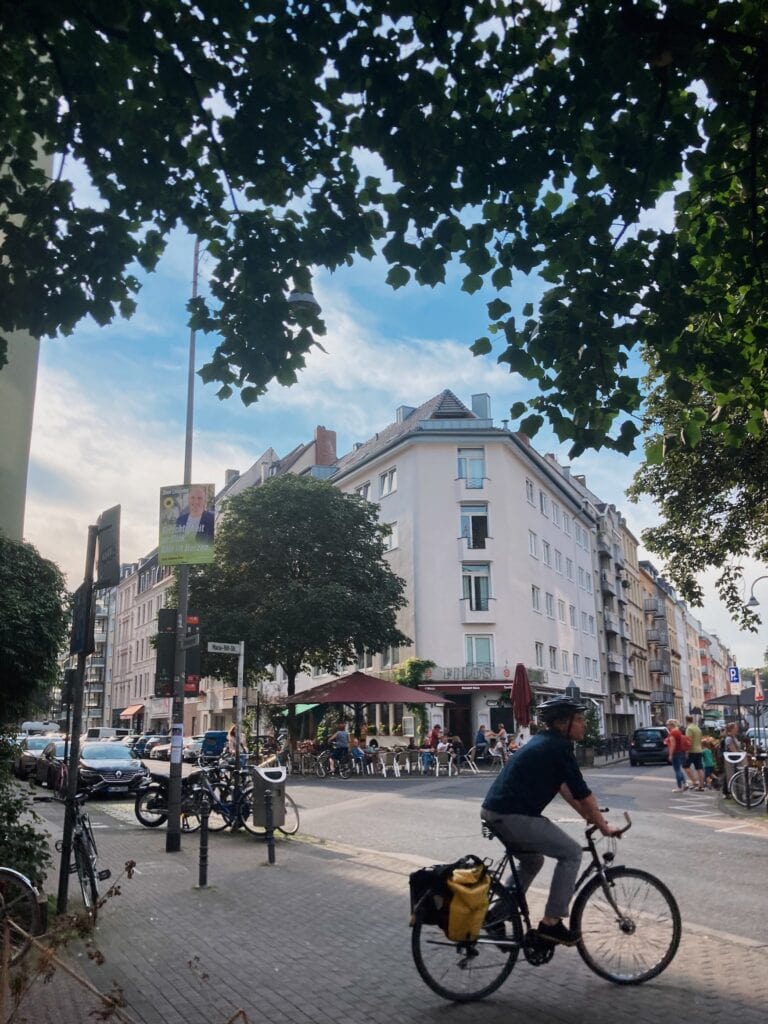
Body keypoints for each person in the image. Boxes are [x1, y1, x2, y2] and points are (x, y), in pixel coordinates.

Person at [481, 696, 619, 946]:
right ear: (562, 723)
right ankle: (551, 923)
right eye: (579, 720)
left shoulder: (547, 742)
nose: (583, 725)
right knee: (572, 853)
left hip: (499, 811)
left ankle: (494, 917)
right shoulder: (557, 747)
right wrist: (602, 825)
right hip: (511, 814)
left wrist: (588, 816)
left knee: (533, 861)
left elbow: (564, 787)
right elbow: (581, 791)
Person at [665, 719, 689, 793]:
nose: (667, 726)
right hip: (680, 752)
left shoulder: (672, 733)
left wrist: (670, 754)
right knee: (679, 769)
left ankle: (679, 787)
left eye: (667, 725)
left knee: (677, 770)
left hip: (675, 753)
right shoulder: (678, 732)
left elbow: (673, 744)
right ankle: (685, 783)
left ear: (671, 725)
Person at [683, 715, 706, 790]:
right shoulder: (697, 728)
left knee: (686, 766)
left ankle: (694, 781)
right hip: (699, 750)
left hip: (691, 751)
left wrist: (686, 751)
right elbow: (700, 739)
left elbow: (688, 741)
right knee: (699, 768)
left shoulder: (689, 729)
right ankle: (701, 785)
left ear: (686, 720)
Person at [721, 722, 743, 797]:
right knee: (730, 775)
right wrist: (741, 753)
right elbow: (734, 750)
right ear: (732, 729)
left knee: (732, 775)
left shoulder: (734, 737)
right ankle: (727, 792)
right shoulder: (729, 739)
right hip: (732, 760)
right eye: (736, 728)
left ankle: (732, 791)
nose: (737, 729)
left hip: (735, 759)